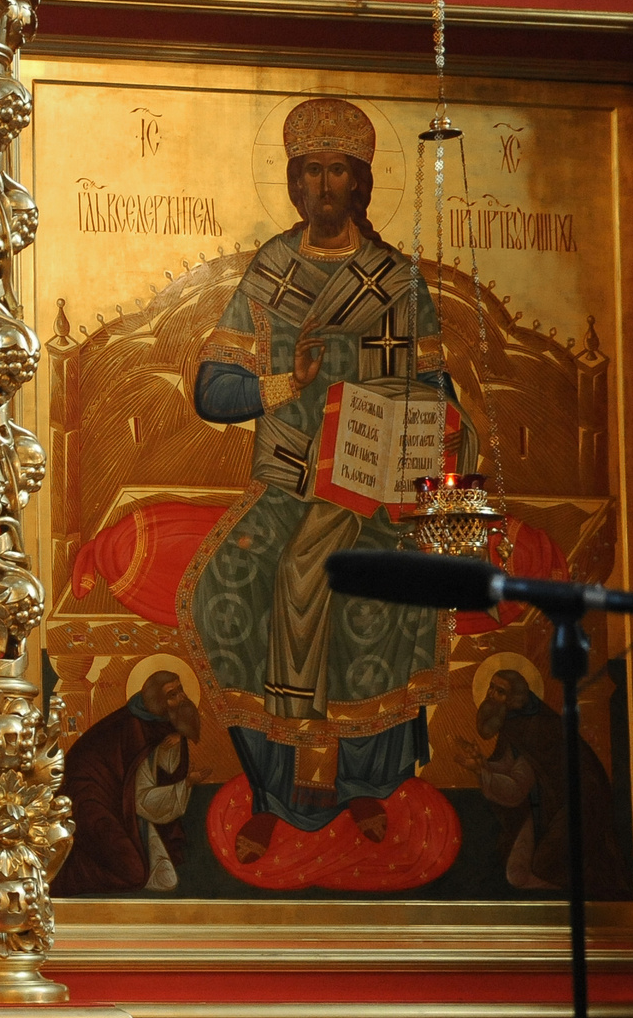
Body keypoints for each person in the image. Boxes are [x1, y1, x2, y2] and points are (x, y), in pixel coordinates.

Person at [189, 97, 455, 865]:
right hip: (283, 484)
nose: (326, 184)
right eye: (312, 170)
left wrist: (436, 437)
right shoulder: (271, 272)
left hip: (371, 487)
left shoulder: (395, 281)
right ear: (295, 182)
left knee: (349, 592)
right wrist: (281, 385)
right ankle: (276, 789)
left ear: (361, 182)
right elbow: (210, 391)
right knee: (222, 591)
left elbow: (439, 394)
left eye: (341, 169)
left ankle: (360, 781)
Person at [462, 665, 633, 899]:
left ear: (514, 698)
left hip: (577, 803)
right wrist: (482, 764)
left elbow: (515, 788)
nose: (491, 695)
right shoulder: (514, 720)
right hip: (544, 802)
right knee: (517, 873)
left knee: (546, 867)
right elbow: (510, 767)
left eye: (500, 691)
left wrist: (481, 771)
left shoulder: (535, 728)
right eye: (491, 687)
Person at [54, 668, 206, 894]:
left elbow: (160, 774)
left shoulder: (161, 723)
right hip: (88, 803)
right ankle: (58, 876)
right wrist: (188, 783)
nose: (182, 698)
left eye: (180, 690)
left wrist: (175, 743)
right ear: (157, 701)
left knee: (161, 877)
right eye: (172, 694)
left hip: (120, 804)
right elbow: (144, 800)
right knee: (133, 873)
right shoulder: (135, 729)